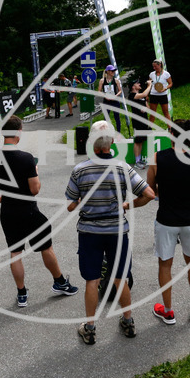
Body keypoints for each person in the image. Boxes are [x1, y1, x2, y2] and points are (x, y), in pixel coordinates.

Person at [65, 121, 155, 344]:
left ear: (92, 144)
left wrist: (79, 202)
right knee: (120, 278)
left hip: (89, 232)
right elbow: (149, 194)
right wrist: (127, 206)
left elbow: (70, 204)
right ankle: (128, 321)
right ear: (111, 143)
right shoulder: (123, 167)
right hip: (117, 231)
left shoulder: (80, 170)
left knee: (92, 281)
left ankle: (90, 327)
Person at [0, 116, 79, 307]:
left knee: (15, 252)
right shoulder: (27, 158)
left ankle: (22, 294)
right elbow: (35, 189)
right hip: (28, 210)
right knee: (45, 247)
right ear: (18, 133)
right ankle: (60, 282)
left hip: (7, 212)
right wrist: (35, 170)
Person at [146, 119, 190, 324]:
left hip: (166, 218)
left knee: (165, 264)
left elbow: (150, 190)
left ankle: (167, 311)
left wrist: (164, 193)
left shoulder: (158, 157)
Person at [127, 81, 152, 169]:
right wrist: (149, 85)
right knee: (137, 141)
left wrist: (146, 107)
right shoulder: (132, 96)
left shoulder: (142, 96)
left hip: (144, 120)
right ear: (133, 87)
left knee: (141, 140)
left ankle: (140, 159)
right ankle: (137, 162)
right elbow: (145, 93)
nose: (139, 84)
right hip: (137, 121)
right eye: (137, 83)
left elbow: (148, 109)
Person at [97, 65, 124, 133]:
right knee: (106, 118)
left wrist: (115, 96)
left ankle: (118, 133)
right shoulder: (102, 80)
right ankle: (105, 133)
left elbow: (120, 90)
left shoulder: (116, 80)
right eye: (112, 71)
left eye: (114, 71)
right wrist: (105, 96)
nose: (113, 72)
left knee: (117, 117)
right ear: (108, 71)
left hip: (115, 101)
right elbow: (99, 91)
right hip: (106, 101)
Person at [147, 59, 174, 125]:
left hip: (163, 95)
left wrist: (165, 88)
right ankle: (149, 129)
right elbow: (149, 85)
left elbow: (170, 83)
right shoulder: (151, 74)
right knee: (152, 113)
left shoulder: (166, 74)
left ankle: (170, 129)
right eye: (153, 66)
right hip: (153, 95)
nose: (154, 68)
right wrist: (147, 95)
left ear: (159, 65)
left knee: (166, 112)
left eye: (155, 66)